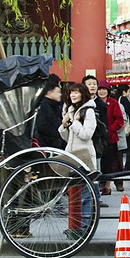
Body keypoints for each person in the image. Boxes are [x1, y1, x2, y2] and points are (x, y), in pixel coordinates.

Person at [58, 83, 99, 230]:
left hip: (84, 157)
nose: (73, 95)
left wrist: (74, 122)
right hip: (72, 157)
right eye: (71, 93)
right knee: (75, 194)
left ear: (83, 94)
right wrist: (63, 125)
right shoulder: (71, 110)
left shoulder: (88, 112)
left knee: (86, 194)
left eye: (76, 92)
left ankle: (85, 227)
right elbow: (68, 138)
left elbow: (86, 135)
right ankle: (76, 227)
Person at [97, 81, 124, 194]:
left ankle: (108, 185)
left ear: (108, 91)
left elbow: (119, 120)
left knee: (110, 162)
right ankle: (100, 184)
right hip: (98, 138)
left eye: (104, 89)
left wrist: (110, 129)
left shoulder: (113, 103)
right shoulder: (94, 103)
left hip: (110, 137)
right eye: (100, 89)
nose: (102, 91)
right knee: (101, 162)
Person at [34, 80, 65, 150]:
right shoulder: (44, 107)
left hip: (55, 144)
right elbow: (43, 127)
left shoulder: (55, 106)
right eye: (58, 92)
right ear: (49, 92)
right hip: (49, 145)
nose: (60, 94)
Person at [117, 84, 130, 171]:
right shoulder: (124, 99)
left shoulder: (117, 99)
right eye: (128, 91)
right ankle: (129, 167)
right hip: (126, 127)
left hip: (122, 127)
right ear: (124, 91)